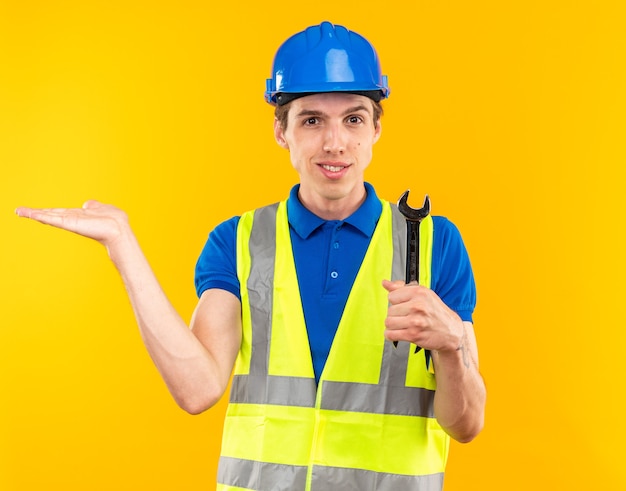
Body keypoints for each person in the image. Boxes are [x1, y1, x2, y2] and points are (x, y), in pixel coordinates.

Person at [16, 21, 485, 491]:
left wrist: (450, 346)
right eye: (312, 120)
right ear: (281, 131)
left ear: (377, 127)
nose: (335, 143)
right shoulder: (239, 241)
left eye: (354, 119)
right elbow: (198, 389)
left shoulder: (432, 244)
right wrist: (123, 247)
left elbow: (466, 425)